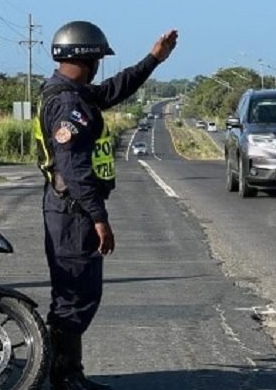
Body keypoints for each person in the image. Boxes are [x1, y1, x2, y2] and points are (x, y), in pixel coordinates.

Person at [34, 21, 178, 390]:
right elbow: (73, 167)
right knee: (75, 296)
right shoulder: (69, 103)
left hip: (68, 208)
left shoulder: (68, 92)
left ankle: (68, 373)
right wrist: (99, 217)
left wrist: (153, 59)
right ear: (87, 59)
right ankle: (63, 377)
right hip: (73, 211)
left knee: (76, 294)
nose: (100, 66)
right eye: (98, 58)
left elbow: (114, 89)